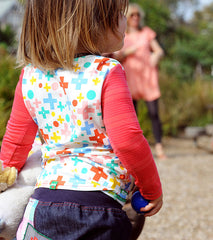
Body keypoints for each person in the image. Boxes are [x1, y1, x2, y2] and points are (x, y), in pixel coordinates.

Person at [0, 1, 163, 240]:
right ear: (93, 24)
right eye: (118, 14)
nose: (124, 20)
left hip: (43, 207)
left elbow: (15, 145)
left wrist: (4, 177)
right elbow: (128, 141)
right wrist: (151, 189)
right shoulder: (106, 71)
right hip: (99, 207)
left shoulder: (30, 76)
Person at [113, 3, 167, 160]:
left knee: (154, 112)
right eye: (132, 15)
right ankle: (135, 150)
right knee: (132, 116)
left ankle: (159, 147)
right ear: (127, 18)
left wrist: (156, 55)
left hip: (147, 77)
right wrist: (127, 52)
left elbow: (159, 50)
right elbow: (116, 57)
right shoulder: (122, 35)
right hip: (131, 78)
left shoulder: (147, 33)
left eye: (138, 15)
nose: (135, 17)